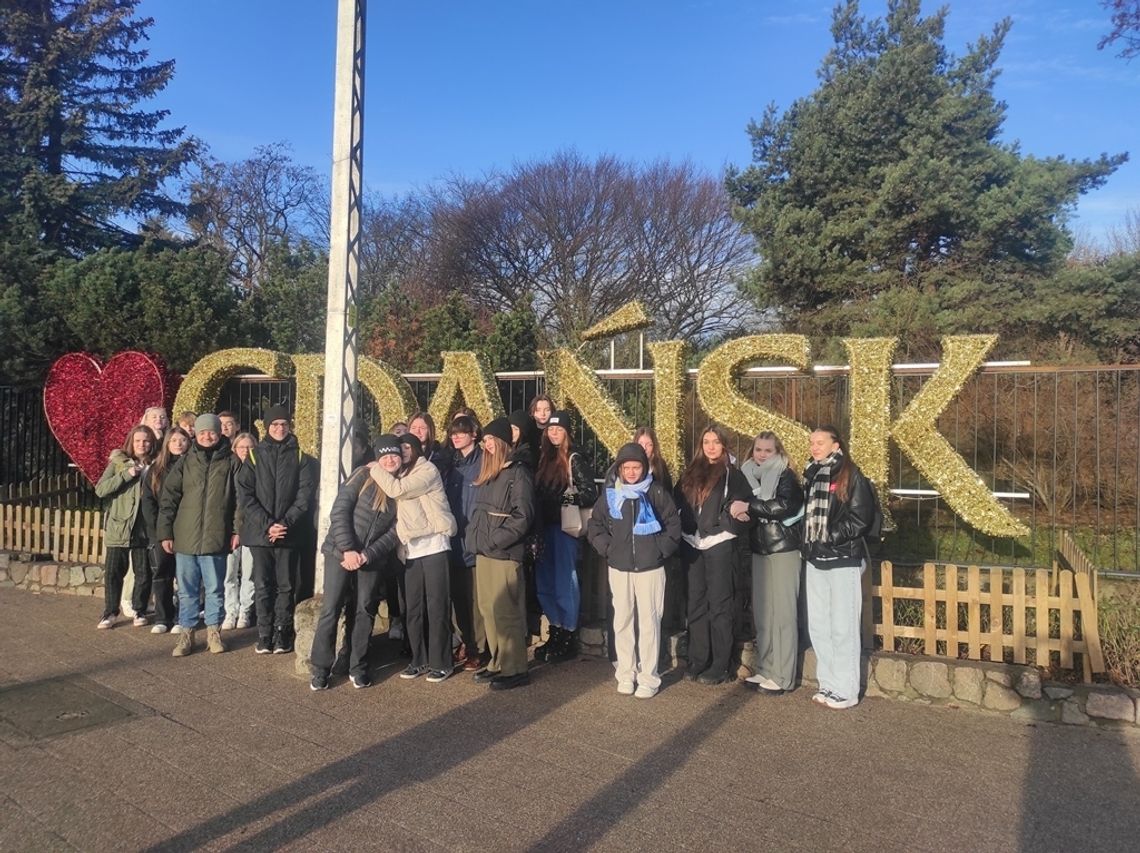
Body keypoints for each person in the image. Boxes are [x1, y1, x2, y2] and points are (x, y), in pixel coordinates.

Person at [587, 442, 680, 699]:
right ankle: (626, 673)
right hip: (619, 567)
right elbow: (595, 525)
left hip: (650, 567)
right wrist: (608, 548)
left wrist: (660, 550)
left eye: (636, 466)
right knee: (623, 620)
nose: (630, 472)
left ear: (644, 467)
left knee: (650, 621)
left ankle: (649, 676)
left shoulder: (657, 493)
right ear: (619, 468)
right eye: (626, 467)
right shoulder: (610, 496)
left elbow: (673, 524)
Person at [310, 436, 401, 691]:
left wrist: (368, 555)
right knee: (331, 608)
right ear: (377, 457)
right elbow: (339, 511)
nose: (390, 459)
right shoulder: (362, 476)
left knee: (365, 610)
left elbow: (395, 532)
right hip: (339, 552)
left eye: (394, 455)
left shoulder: (400, 489)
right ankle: (320, 668)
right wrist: (348, 549)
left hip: (371, 558)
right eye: (385, 456)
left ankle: (357, 666)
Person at [369, 432, 458, 682]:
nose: (404, 451)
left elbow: (397, 491)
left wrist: (375, 466)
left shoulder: (427, 470)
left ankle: (442, 662)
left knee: (437, 606)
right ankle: (418, 660)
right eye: (401, 447)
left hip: (434, 544)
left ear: (418, 449)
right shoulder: (399, 473)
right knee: (413, 608)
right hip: (410, 549)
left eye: (409, 447)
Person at [802, 425, 879, 710]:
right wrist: (811, 544)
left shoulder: (850, 474)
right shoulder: (811, 474)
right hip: (815, 558)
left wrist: (829, 536)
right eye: (812, 442)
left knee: (843, 625)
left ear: (836, 445)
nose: (814, 447)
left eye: (820, 442)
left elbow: (861, 517)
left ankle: (846, 689)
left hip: (842, 558)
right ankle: (828, 683)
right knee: (819, 624)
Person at [158, 414, 241, 656]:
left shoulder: (232, 462)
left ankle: (213, 632)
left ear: (219, 433)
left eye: (212, 432)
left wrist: (237, 531)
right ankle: (186, 634)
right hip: (185, 537)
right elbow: (169, 499)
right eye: (203, 432)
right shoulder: (185, 462)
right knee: (187, 589)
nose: (207, 436)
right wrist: (165, 532)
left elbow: (240, 502)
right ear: (196, 433)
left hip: (216, 536)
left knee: (215, 588)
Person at [674, 425, 752, 685]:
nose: (710, 446)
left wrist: (722, 526)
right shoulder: (689, 473)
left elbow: (743, 509)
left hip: (719, 544)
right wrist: (686, 526)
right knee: (695, 604)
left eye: (716, 442)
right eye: (706, 441)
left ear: (724, 445)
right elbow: (678, 503)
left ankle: (721, 664)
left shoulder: (734, 475)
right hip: (692, 544)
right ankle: (698, 659)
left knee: (720, 605)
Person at [237, 406, 316, 655]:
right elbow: (246, 496)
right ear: (267, 428)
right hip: (261, 534)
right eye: (274, 425)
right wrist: (268, 524)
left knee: (286, 585)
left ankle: (283, 631)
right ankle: (264, 633)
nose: (279, 429)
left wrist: (284, 523)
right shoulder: (253, 457)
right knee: (262, 584)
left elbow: (305, 495)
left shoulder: (301, 457)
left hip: (289, 533)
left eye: (283, 424)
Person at [465, 417, 535, 690]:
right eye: (485, 441)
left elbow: (523, 516)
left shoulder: (519, 473)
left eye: (492, 440)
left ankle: (515, 667)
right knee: (487, 609)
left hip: (504, 553)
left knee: (505, 612)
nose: (487, 445)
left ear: (504, 442)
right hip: (485, 550)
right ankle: (497, 662)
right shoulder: (490, 473)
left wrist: (496, 540)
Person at [741, 431, 804, 696]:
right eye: (758, 449)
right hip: (760, 548)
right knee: (764, 613)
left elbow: (785, 506)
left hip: (783, 548)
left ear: (778, 452)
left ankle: (783, 675)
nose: (762, 454)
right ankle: (765, 668)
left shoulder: (786, 476)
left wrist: (750, 506)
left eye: (768, 450)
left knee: (783, 614)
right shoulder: (746, 475)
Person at [533, 410, 597, 663]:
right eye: (550, 429)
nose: (554, 433)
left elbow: (590, 493)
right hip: (544, 528)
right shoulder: (543, 459)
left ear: (567, 432)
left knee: (565, 582)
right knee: (545, 583)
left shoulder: (574, 458)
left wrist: (564, 500)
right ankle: (556, 629)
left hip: (564, 530)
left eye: (559, 429)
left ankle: (569, 634)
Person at [94, 425, 157, 629]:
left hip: (144, 526)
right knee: (114, 572)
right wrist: (127, 474)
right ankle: (110, 612)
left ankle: (139, 610)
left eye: (146, 440)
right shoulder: (118, 463)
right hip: (120, 525)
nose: (142, 444)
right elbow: (101, 489)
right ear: (131, 441)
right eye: (138, 440)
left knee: (143, 572)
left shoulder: (156, 463)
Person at [444, 415, 485, 671]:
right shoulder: (450, 463)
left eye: (462, 432)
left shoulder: (483, 461)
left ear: (474, 434)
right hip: (453, 538)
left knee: (476, 601)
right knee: (458, 598)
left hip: (475, 538)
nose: (456, 436)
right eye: (453, 433)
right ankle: (465, 643)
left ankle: (478, 648)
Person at [140, 427, 189, 633]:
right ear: (167, 443)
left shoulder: (193, 466)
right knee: (162, 574)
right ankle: (163, 617)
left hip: (187, 530)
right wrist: (160, 531)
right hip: (161, 531)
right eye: (174, 440)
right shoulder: (156, 470)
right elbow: (148, 502)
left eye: (183, 440)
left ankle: (182, 617)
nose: (178, 444)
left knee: (185, 577)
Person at [222, 432, 257, 630]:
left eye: (249, 447)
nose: (245, 450)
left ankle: (245, 610)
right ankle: (230, 611)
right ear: (234, 449)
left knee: (249, 573)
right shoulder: (228, 469)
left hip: (251, 529)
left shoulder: (259, 469)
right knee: (229, 573)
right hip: (230, 529)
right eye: (241, 447)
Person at [633, 426, 673, 494]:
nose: (644, 448)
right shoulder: (627, 465)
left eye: (649, 445)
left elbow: (667, 492)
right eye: (641, 444)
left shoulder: (660, 466)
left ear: (654, 447)